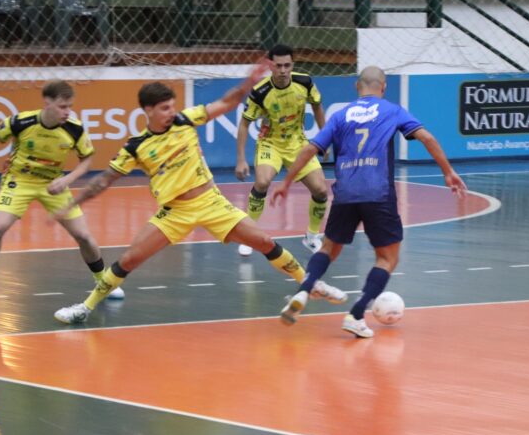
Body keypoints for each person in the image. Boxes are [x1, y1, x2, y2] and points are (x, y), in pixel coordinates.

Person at [53, 61, 346, 324]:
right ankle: (85, 307)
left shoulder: (185, 119)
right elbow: (104, 180)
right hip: (175, 212)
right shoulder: (136, 146)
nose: (171, 112)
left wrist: (246, 84)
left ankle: (311, 284)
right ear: (148, 111)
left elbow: (226, 104)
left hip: (211, 202)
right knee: (128, 260)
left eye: (172, 106)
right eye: (165, 108)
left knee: (265, 241)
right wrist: (75, 201)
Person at [270, 66, 467, 338]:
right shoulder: (392, 110)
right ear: (383, 87)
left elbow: (309, 148)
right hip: (378, 193)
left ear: (356, 87)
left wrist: (286, 182)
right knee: (387, 257)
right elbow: (427, 137)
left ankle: (304, 290)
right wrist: (448, 172)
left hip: (346, 193)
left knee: (328, 248)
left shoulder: (341, 115)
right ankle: (356, 313)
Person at [0, 80, 124, 302]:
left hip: (53, 184)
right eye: (62, 106)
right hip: (19, 181)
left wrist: (67, 179)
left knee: (84, 236)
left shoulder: (74, 129)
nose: (67, 112)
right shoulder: (22, 121)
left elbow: (87, 159)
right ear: (47, 102)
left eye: (70, 106)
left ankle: (103, 282)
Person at [234, 44, 329, 257]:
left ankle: (312, 236)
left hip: (298, 143)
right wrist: (241, 159)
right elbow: (244, 124)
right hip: (271, 144)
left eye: (287, 65)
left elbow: (317, 106)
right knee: (262, 182)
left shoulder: (304, 83)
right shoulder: (261, 92)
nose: (283, 70)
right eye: (278, 66)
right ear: (271, 66)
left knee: (321, 190)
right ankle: (250, 235)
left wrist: (324, 139)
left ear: (292, 64)